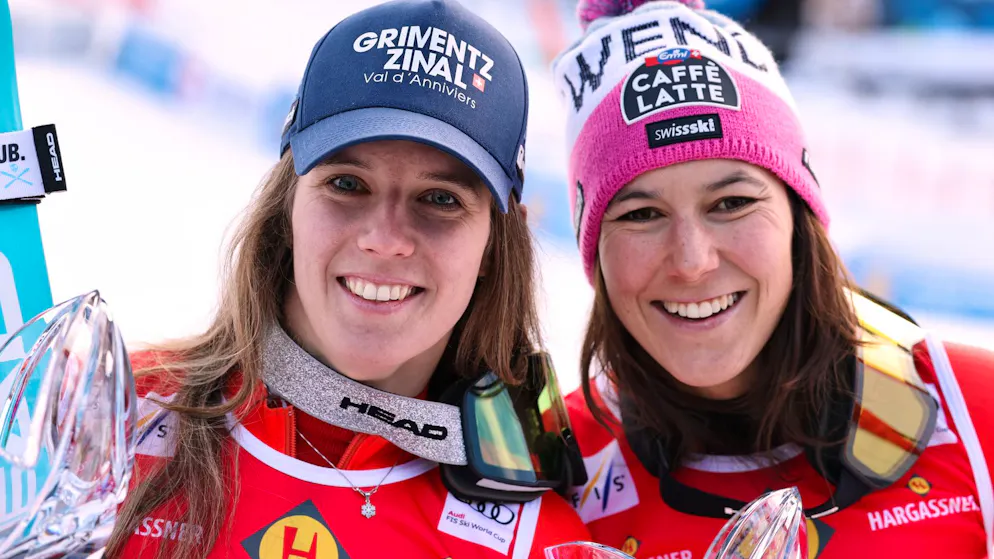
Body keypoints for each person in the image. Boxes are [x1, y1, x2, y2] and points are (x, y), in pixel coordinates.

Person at [105, 1, 592, 557]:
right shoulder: (107, 424)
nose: (385, 239)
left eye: (440, 199)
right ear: (288, 205)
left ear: (494, 244)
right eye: (347, 184)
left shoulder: (538, 543)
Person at [549, 0, 994, 557]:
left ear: (799, 216)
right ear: (594, 250)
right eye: (641, 214)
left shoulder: (978, 414)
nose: (692, 261)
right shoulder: (547, 472)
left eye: (731, 203)